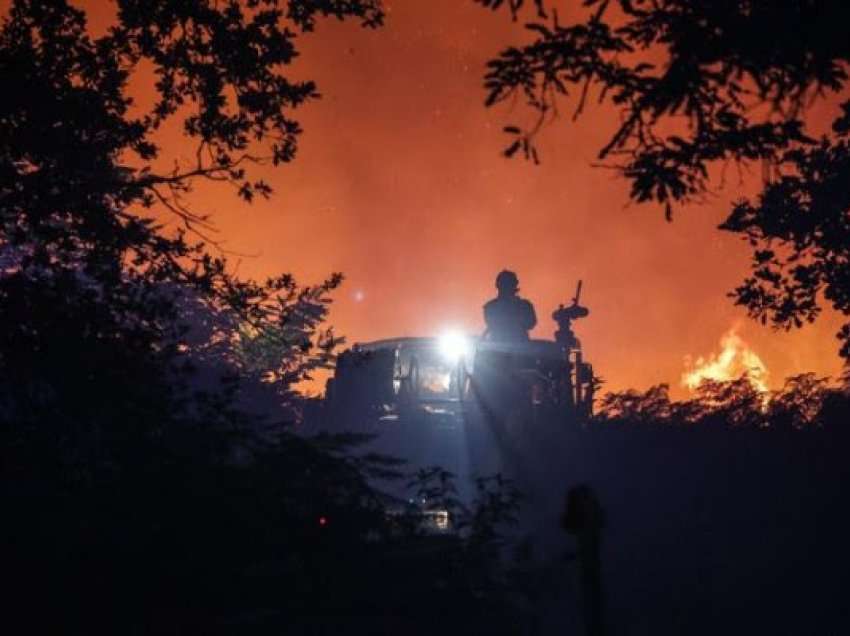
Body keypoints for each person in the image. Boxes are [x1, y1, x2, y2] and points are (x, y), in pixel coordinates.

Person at [483, 270, 537, 342]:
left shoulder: (524, 305)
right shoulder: (490, 307)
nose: (506, 287)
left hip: (519, 346)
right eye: (504, 284)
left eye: (508, 284)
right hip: (498, 346)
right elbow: (492, 324)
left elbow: (531, 323)